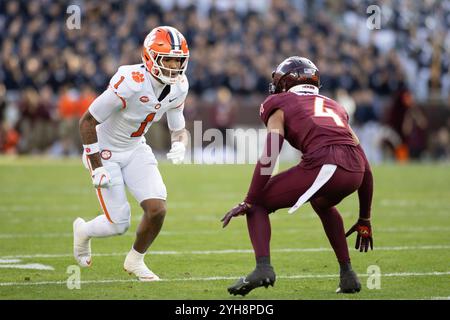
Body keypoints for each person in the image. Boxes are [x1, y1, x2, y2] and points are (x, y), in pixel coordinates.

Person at [221, 56, 374, 295]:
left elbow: (270, 154)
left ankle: (263, 268)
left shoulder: (279, 102)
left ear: (285, 82)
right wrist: (365, 217)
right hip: (355, 171)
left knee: (258, 203)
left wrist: (249, 200)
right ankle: (348, 275)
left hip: (326, 163)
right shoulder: (334, 105)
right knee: (322, 202)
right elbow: (365, 163)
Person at [73, 26, 190, 281]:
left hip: (136, 148)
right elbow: (87, 121)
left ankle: (136, 260)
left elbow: (178, 127)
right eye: (167, 59)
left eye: (178, 60)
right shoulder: (130, 82)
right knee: (119, 223)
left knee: (157, 209)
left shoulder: (180, 86)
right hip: (105, 151)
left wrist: (180, 143)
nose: (173, 65)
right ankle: (83, 230)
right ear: (150, 57)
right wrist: (97, 166)